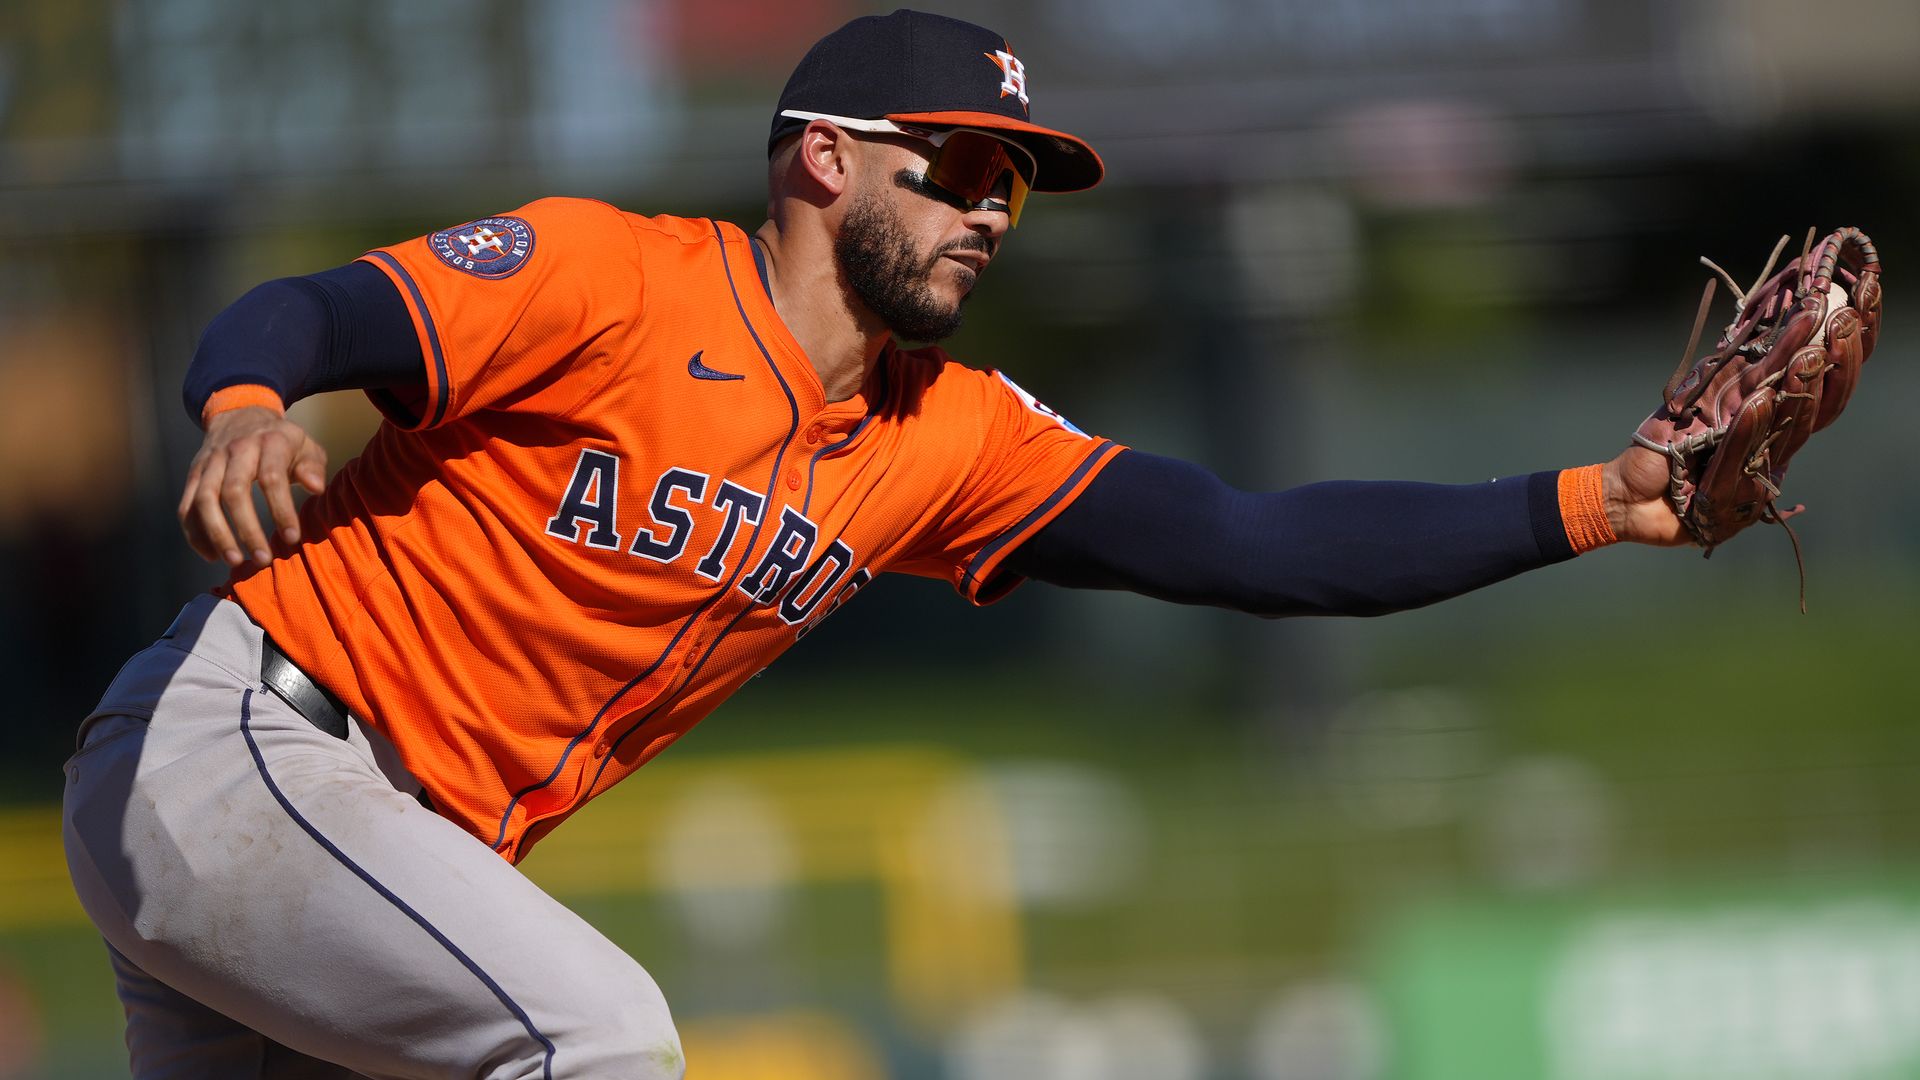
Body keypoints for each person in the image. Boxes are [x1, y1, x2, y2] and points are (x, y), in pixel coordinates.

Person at [61, 9, 1684, 1078]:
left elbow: (1255, 541)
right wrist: (244, 404)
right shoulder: (607, 278)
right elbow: (315, 308)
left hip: (373, 851)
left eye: (1020, 184)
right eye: (963, 164)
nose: (993, 207)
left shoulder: (944, 434)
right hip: (249, 744)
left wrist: (1603, 501)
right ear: (822, 159)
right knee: (603, 1040)